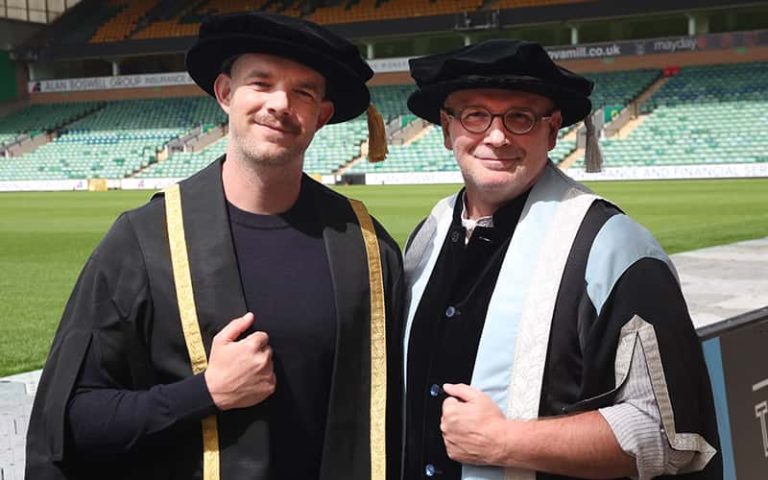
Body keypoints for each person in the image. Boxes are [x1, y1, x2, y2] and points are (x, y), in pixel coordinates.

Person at [26, 12, 403, 480]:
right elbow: (74, 420)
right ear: (225, 93)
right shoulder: (144, 241)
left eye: (303, 91)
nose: (280, 104)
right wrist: (206, 392)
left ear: (321, 115)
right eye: (260, 84)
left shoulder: (366, 247)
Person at [401, 39, 721, 480]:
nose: (496, 136)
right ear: (446, 127)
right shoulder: (427, 236)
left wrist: (505, 442)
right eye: (475, 114)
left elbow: (668, 433)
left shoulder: (613, 246)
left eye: (521, 117)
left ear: (551, 131)